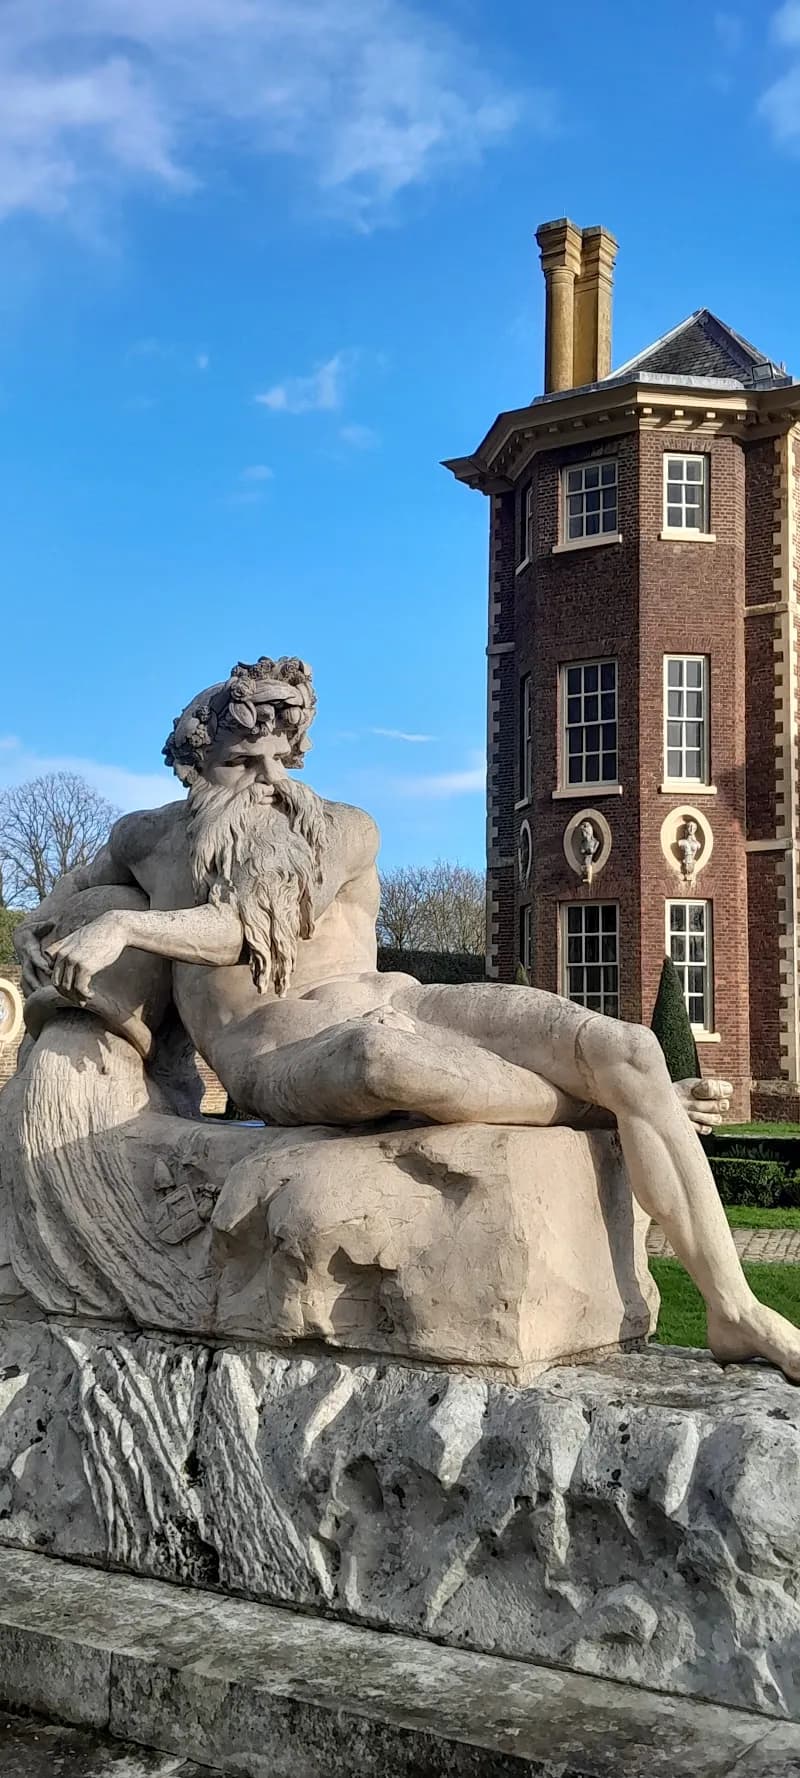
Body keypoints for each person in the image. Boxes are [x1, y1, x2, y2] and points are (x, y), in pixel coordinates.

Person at [22, 654, 800, 1380]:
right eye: (239, 762)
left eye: (281, 758)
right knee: (379, 1058)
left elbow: (251, 923)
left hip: (403, 998)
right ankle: (610, 1110)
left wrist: (125, 927)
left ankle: (733, 1308)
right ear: (195, 768)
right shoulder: (145, 839)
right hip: (281, 1051)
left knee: (629, 1048)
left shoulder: (340, 830)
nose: (267, 781)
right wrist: (47, 930)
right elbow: (69, 901)